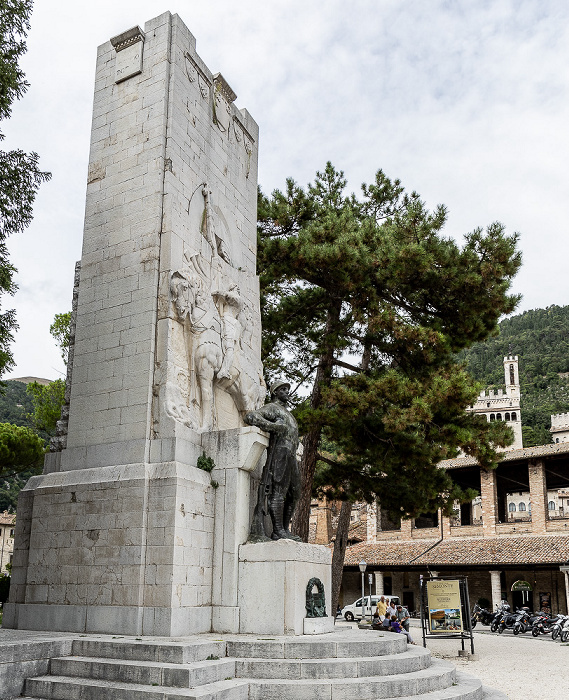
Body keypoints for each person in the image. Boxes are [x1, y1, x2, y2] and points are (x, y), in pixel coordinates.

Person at [245, 381, 301, 541]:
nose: (287, 392)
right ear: (275, 392)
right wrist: (272, 426)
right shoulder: (272, 408)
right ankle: (278, 530)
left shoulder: (287, 413)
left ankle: (285, 529)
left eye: (287, 389)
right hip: (280, 452)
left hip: (291, 453)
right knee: (279, 492)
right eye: (283, 389)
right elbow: (250, 416)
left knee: (295, 493)